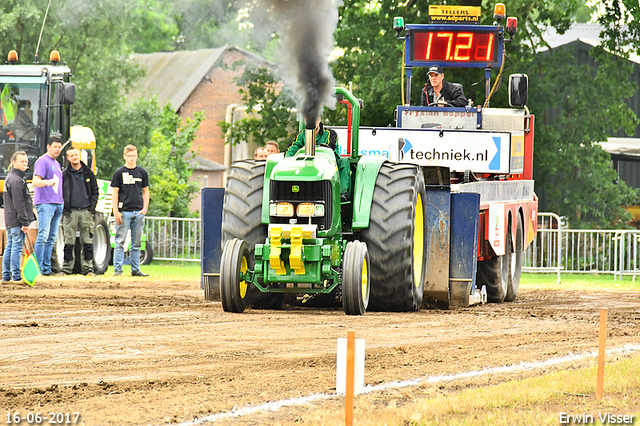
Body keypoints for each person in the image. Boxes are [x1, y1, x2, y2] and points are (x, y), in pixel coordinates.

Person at [285, 117, 351, 200]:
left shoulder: (330, 134)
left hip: (329, 164)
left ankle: (342, 193)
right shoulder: (302, 135)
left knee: (344, 162)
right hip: (307, 164)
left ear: (319, 119)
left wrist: (313, 147)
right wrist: (288, 157)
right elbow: (294, 146)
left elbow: (330, 146)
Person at [111, 145, 150, 277]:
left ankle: (136, 269)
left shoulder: (142, 173)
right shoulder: (119, 173)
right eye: (129, 156)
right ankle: (118, 270)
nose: (131, 158)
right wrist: (116, 211)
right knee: (120, 242)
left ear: (137, 156)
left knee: (136, 243)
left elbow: (146, 191)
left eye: (133, 156)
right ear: (124, 156)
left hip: (138, 212)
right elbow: (115, 192)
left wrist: (145, 209)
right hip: (124, 212)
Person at [61, 147, 99, 276]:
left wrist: (91, 210)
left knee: (87, 241)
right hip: (70, 213)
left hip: (85, 212)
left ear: (79, 155)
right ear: (68, 158)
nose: (74, 157)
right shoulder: (65, 174)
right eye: (71, 156)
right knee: (68, 242)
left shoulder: (88, 173)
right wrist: (65, 209)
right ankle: (66, 269)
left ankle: (88, 269)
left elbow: (95, 192)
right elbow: (60, 192)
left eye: (76, 155)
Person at [33, 134, 64, 276]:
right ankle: (38, 268)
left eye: (59, 147)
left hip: (58, 203)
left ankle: (46, 268)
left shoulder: (56, 163)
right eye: (55, 146)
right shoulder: (42, 161)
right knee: (43, 236)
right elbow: (35, 181)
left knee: (52, 237)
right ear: (48, 147)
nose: (57, 149)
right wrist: (48, 182)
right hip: (46, 204)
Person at [2, 151, 35, 284]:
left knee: (10, 246)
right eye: (22, 161)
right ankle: (15, 275)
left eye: (26, 161)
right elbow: (19, 203)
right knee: (16, 247)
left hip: (11, 220)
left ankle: (6, 276)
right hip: (16, 221)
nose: (25, 164)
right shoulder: (16, 180)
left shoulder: (11, 178)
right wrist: (24, 222)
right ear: (14, 162)